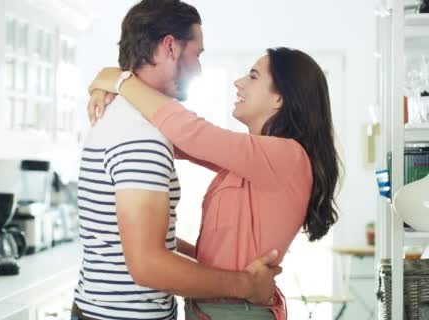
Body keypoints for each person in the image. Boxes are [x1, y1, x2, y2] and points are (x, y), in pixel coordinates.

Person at [86, 47, 341, 319]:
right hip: (221, 309)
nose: (238, 82)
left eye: (253, 77)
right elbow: (171, 139)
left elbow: (188, 132)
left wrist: (120, 81)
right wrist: (117, 97)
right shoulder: (257, 162)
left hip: (237, 312)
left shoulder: (286, 157)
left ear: (279, 97)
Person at [72, 1, 282, 320]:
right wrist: (246, 285)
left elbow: (148, 242)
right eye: (197, 54)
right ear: (170, 46)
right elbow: (148, 265)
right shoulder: (141, 135)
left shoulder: (124, 117)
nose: (198, 68)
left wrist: (210, 259)